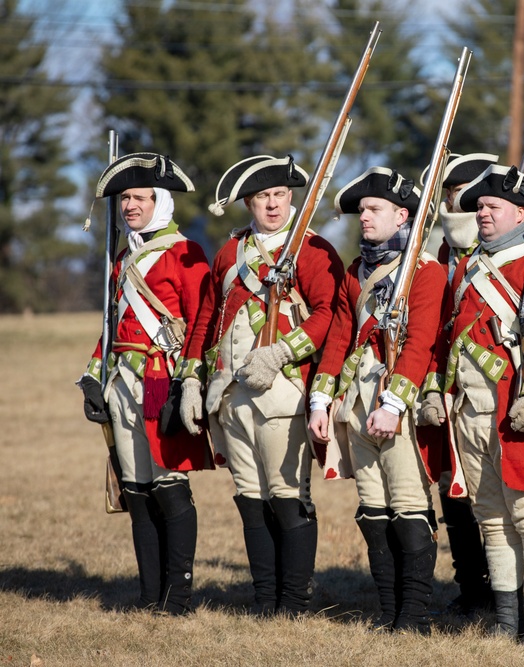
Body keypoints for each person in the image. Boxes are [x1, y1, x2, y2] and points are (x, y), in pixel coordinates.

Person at [185, 154, 343, 616]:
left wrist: (280, 352)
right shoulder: (229, 254)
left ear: (290, 197)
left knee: (288, 497)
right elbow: (206, 321)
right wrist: (194, 379)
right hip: (232, 396)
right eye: (261, 199)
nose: (272, 206)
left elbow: (327, 317)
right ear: (248, 205)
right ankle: (265, 598)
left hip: (285, 391)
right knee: (251, 501)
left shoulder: (313, 250)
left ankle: (293, 602)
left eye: (278, 196)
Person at [420, 164, 524, 644]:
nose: (481, 213)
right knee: (491, 516)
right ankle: (507, 620)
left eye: (491, 206)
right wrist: (431, 389)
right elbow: (446, 340)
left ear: (521, 213)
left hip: (515, 410)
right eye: (479, 206)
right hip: (468, 411)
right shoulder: (466, 267)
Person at [307, 167, 447, 635]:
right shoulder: (357, 270)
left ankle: (416, 615)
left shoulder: (425, 272)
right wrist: (320, 399)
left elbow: (421, 340)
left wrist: (394, 404)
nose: (363, 217)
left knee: (409, 509)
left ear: (402, 214)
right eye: (361, 210)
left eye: (374, 209)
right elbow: (340, 336)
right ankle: (389, 612)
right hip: (357, 406)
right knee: (373, 512)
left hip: (396, 408)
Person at [78, 153, 211, 615]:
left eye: (138, 197)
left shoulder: (184, 253)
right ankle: (149, 594)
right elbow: (110, 325)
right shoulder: (122, 256)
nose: (129, 206)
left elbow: (202, 324)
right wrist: (93, 376)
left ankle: (180, 598)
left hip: (162, 381)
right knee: (136, 491)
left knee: (170, 487)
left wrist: (190, 380)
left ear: (161, 201)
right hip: (122, 382)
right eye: (125, 199)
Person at [421, 153, 497, 616]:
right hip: (446, 384)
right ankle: (472, 585)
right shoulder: (440, 252)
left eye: (467, 194)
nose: (459, 201)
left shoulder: (505, 249)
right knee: (453, 490)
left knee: (506, 497)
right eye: (452, 194)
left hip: (491, 385)